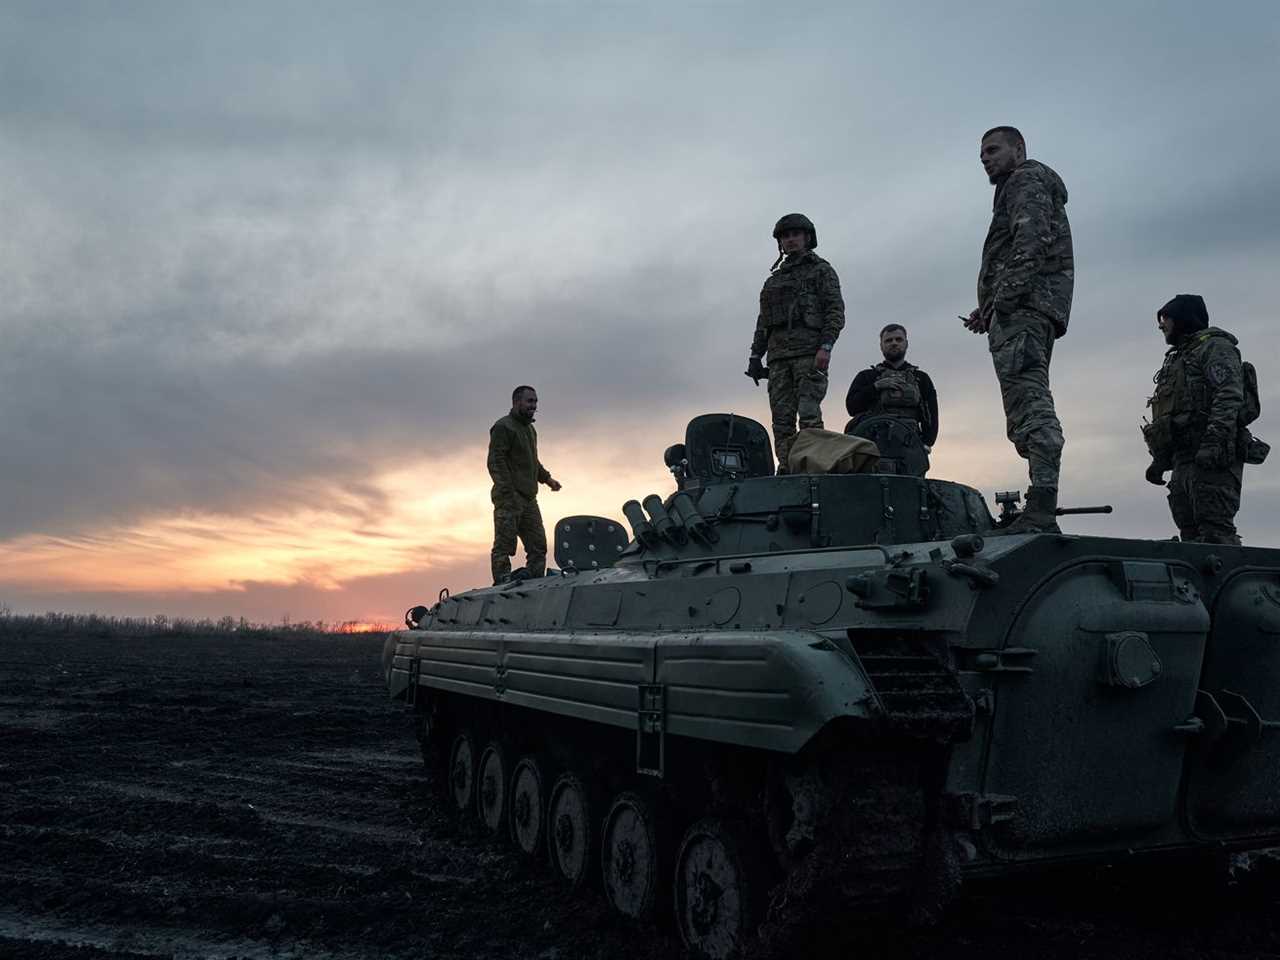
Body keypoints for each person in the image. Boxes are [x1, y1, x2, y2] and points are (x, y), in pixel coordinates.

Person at [962, 126, 1073, 532]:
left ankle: (1042, 508)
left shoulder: (1026, 179)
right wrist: (988, 309)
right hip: (1022, 308)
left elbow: (1031, 241)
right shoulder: (1017, 186)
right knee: (1024, 404)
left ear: (1019, 148)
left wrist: (1005, 299)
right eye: (982, 155)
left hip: (1024, 309)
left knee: (1030, 404)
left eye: (993, 150)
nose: (986, 159)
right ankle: (1040, 505)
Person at [746, 213, 845, 472]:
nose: (790, 240)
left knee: (809, 416)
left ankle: (813, 469)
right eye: (785, 236)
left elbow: (834, 310)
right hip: (778, 359)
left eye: (795, 235)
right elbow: (763, 320)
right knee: (781, 421)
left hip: (809, 354)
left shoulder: (821, 270)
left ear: (807, 237)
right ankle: (788, 470)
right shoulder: (774, 280)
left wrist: (826, 346)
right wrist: (756, 356)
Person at [1143, 295, 1245, 544]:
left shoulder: (1214, 348)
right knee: (1190, 539)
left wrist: (1213, 442)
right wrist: (1161, 460)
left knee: (1215, 536)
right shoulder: (1178, 358)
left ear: (1182, 319)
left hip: (1212, 459)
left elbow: (1229, 395)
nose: (1161, 325)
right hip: (1183, 460)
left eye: (1166, 318)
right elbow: (1172, 414)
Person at [487, 385, 561, 584]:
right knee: (504, 546)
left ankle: (533, 583)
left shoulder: (530, 430)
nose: (533, 405)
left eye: (535, 402)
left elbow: (532, 461)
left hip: (529, 499)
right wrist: (507, 492)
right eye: (529, 401)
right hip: (509, 498)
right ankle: (502, 584)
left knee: (538, 546)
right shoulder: (504, 427)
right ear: (516, 402)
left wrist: (547, 479)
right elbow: (496, 461)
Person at [844, 323, 939, 475]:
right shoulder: (867, 376)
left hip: (909, 447)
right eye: (888, 340)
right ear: (881, 346)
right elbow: (851, 408)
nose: (894, 343)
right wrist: (875, 387)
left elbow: (931, 416)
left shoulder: (921, 379)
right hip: (872, 448)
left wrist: (926, 443)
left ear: (906, 344)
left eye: (898, 339)